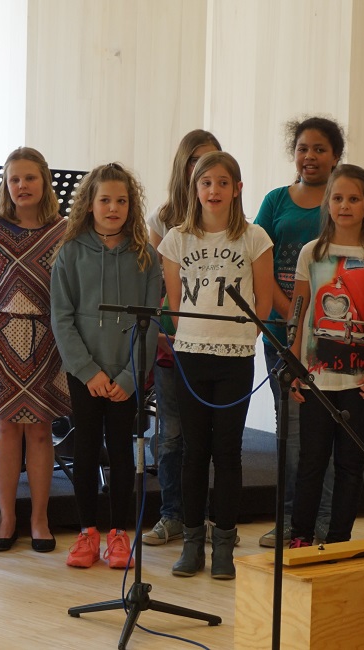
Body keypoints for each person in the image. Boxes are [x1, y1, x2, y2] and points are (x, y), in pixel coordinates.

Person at [159, 151, 273, 579]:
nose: (214, 190)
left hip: (235, 358)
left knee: (227, 452)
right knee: (193, 452)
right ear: (195, 188)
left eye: (223, 182)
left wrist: (243, 337)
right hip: (190, 356)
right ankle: (192, 544)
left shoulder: (254, 238)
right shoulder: (177, 239)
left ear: (237, 189)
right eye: (206, 182)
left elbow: (263, 301)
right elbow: (174, 304)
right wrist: (193, 334)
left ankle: (223, 543)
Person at [50, 162, 162, 569]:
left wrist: (132, 376)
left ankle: (118, 534)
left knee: (121, 451)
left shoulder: (145, 256)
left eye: (121, 201)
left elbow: (151, 322)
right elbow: (62, 318)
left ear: (131, 206)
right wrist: (87, 370)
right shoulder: (70, 253)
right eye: (105, 200)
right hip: (86, 373)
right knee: (85, 449)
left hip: (126, 375)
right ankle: (86, 533)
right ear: (89, 204)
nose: (113, 208)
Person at [287, 164, 364, 547]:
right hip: (315, 379)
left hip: (360, 381)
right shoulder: (311, 252)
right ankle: (300, 536)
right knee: (311, 462)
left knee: (350, 465)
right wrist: (293, 365)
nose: (345, 205)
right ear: (327, 203)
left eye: (354, 199)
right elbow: (298, 311)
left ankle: (338, 540)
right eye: (337, 198)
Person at [0, 147, 70, 553]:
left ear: (44, 181)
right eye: (14, 179)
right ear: (6, 185)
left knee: (41, 429)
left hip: (50, 336)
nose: (22, 185)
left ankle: (40, 519)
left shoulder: (64, 230)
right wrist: (1, 316)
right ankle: (6, 518)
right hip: (4, 335)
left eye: (29, 177)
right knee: (7, 428)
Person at [254, 116, 345, 547]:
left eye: (319, 149)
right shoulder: (275, 201)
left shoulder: (344, 200)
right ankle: (292, 520)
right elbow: (260, 262)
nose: (309, 156)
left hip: (333, 337)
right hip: (282, 334)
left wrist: (313, 322)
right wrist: (293, 318)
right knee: (290, 433)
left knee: (326, 433)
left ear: (336, 156)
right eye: (303, 148)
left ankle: (324, 520)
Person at [143, 129, 222, 546]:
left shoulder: (230, 219)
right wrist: (161, 332)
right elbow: (156, 284)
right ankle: (172, 514)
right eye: (195, 160)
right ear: (184, 166)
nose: (202, 168)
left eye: (210, 159)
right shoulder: (162, 219)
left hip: (216, 345)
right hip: (173, 343)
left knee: (209, 438)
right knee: (171, 435)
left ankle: (205, 519)